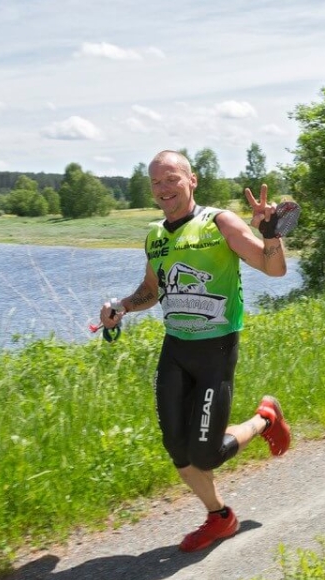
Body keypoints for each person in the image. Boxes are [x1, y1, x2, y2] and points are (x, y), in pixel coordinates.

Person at [100, 150, 292, 553]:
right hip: (175, 349)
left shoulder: (220, 222)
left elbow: (273, 269)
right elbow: (151, 291)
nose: (163, 189)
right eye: (156, 182)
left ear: (192, 180)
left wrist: (271, 232)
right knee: (177, 448)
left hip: (215, 350)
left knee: (204, 454)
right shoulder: (155, 235)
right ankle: (220, 517)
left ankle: (264, 419)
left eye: (171, 179)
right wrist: (120, 307)